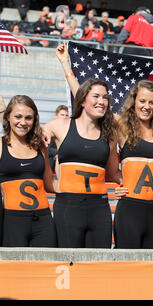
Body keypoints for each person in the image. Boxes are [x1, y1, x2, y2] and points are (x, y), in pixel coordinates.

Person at [42, 42, 121, 248]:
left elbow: (114, 173)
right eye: (95, 96)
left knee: (97, 266)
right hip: (68, 206)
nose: (101, 101)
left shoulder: (110, 134)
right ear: (82, 100)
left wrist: (130, 186)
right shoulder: (60, 126)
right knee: (68, 264)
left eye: (105, 98)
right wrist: (66, 66)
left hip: (99, 208)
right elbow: (30, 134)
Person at [113, 80, 153, 249]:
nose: (147, 106)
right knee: (127, 264)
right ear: (134, 101)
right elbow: (90, 102)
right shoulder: (122, 125)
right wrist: (120, 180)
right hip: (129, 208)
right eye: (142, 101)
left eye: (152, 102)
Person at [0, 95, 56, 247]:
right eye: (17, 116)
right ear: (8, 117)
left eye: (28, 118)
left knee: (44, 269)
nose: (23, 122)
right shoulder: (1, 146)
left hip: (43, 221)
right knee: (15, 270)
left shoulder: (40, 146)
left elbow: (50, 184)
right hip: (12, 220)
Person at [48, 105, 69, 172]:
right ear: (56, 116)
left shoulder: (70, 131)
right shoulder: (50, 129)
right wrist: (58, 154)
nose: (64, 117)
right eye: (62, 115)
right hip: (52, 167)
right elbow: (48, 148)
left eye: (66, 115)